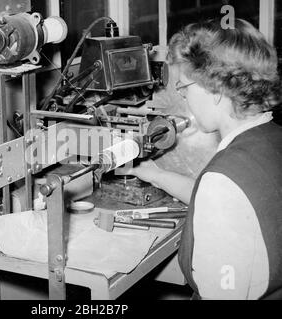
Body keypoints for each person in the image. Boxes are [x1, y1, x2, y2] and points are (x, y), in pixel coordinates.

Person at [121, 19, 282, 300]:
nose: (183, 99)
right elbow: (235, 201)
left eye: (184, 87)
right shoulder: (271, 139)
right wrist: (155, 174)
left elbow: (222, 295)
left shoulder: (222, 183)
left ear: (216, 89)